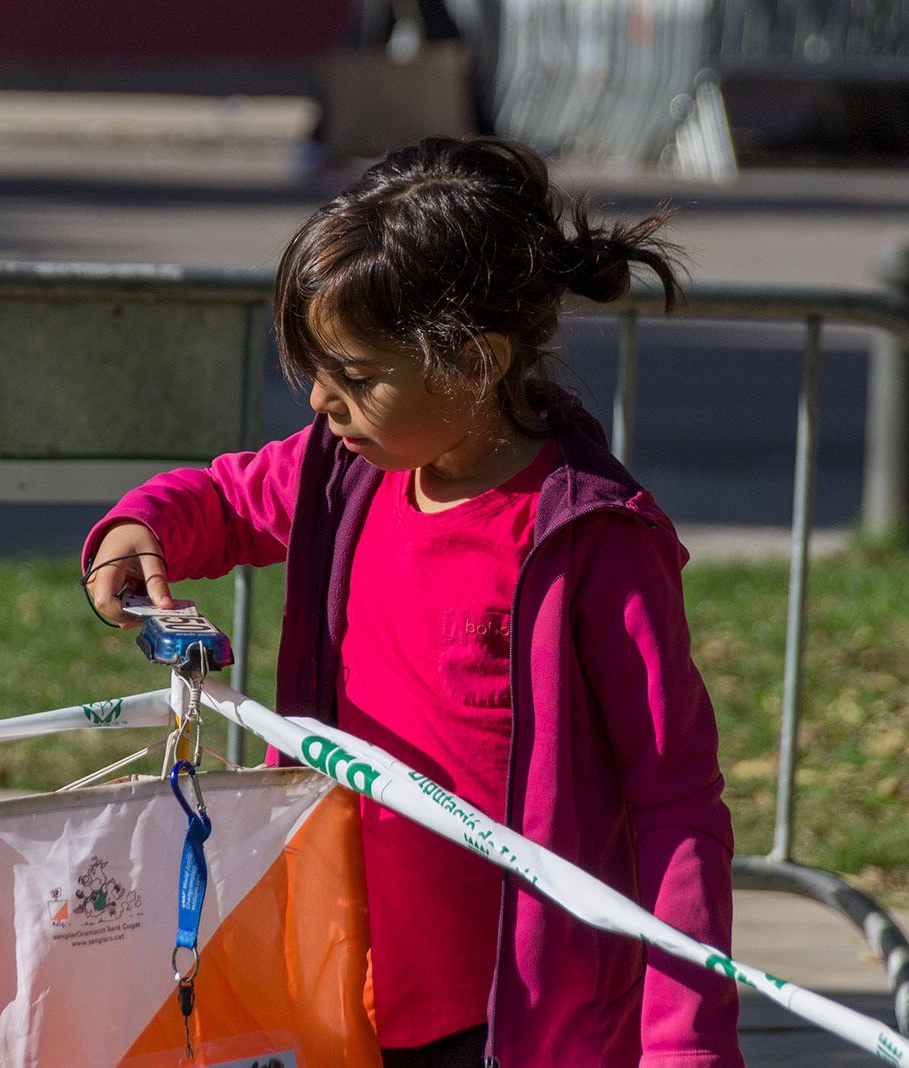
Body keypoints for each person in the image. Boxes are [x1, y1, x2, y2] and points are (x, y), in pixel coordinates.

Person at [82, 136, 743, 1068]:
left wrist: (685, 1046)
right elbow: (225, 499)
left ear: (474, 365)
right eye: (314, 368)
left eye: (354, 378)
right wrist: (140, 527)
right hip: (339, 992)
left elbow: (678, 808)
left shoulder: (596, 541)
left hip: (513, 1027)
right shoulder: (339, 476)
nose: (319, 402)